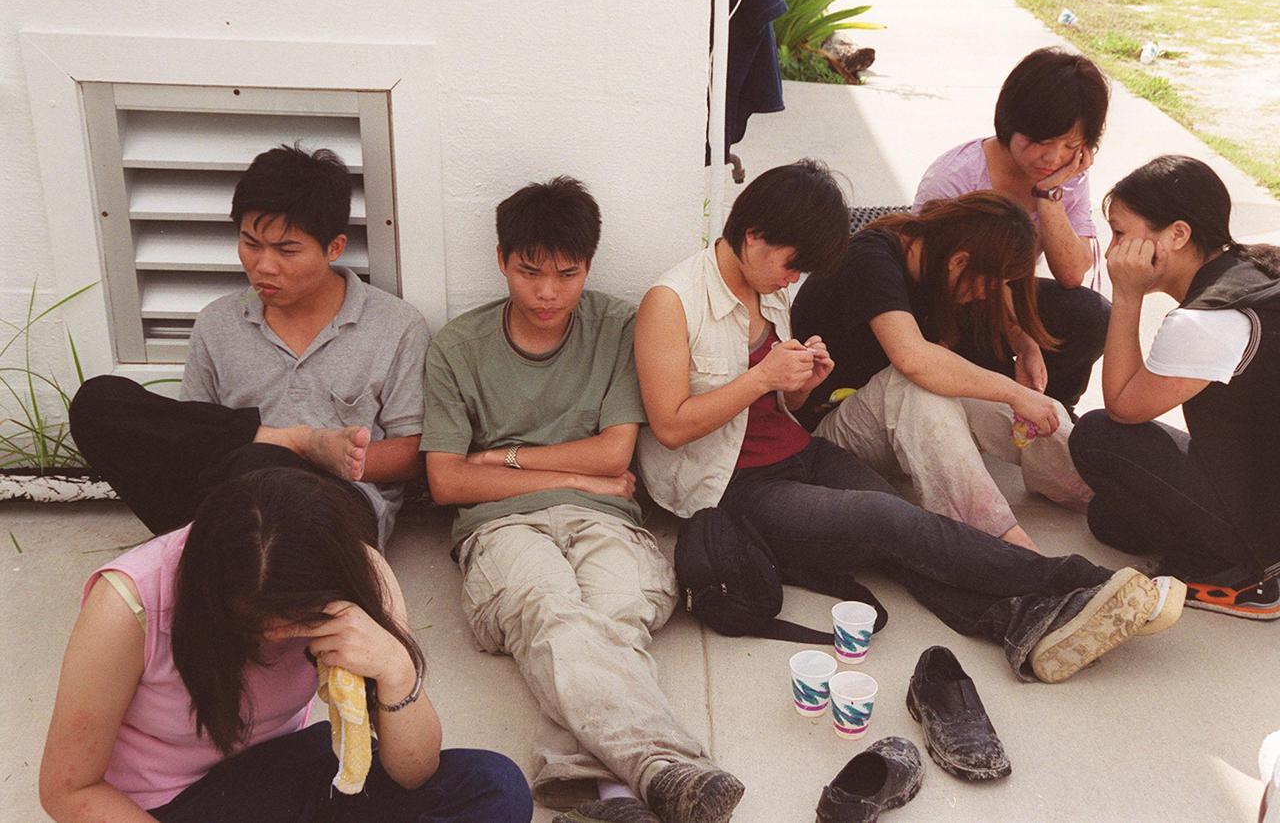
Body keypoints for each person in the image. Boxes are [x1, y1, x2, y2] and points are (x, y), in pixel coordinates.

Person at [635, 159, 1181, 689]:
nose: (795, 279)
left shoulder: (767, 288)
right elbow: (671, 427)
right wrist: (761, 379)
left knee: (903, 533)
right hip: (731, 484)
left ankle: (1022, 627)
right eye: (793, 264)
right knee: (890, 522)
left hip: (798, 452)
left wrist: (798, 384)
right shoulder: (674, 301)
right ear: (754, 236)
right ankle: (1085, 584)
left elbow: (785, 411)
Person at [422, 177, 742, 823]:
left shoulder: (617, 327)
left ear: (588, 267)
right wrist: (574, 478)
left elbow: (613, 455)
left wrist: (509, 459)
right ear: (501, 260)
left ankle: (584, 780)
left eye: (567, 275)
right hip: (501, 528)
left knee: (614, 608)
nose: (547, 292)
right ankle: (663, 767)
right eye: (529, 271)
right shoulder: (457, 347)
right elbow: (447, 482)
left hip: (605, 520)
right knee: (554, 609)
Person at [39, 466, 533, 822]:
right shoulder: (130, 604)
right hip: (171, 803)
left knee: (495, 785)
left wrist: (395, 668)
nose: (275, 638)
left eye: (295, 620)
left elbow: (413, 774)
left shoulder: (361, 578)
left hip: (286, 771)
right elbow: (68, 789)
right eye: (254, 623)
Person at [68, 144, 430, 548]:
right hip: (228, 494)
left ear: (334, 247)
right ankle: (218, 546)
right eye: (251, 244)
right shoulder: (218, 322)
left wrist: (332, 457)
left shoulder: (396, 325)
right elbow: (194, 434)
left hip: (333, 510)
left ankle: (197, 557)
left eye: (287, 249)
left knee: (263, 467)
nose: (263, 266)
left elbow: (414, 454)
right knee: (97, 401)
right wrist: (301, 441)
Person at [791, 192, 1092, 552]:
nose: (987, 296)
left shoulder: (938, 262)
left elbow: (950, 366)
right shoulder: (870, 257)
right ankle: (996, 543)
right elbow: (913, 359)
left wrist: (1023, 344)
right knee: (915, 385)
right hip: (824, 440)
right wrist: (1015, 392)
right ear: (960, 261)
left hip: (886, 426)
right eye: (990, 283)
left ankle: (1091, 491)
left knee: (1039, 410)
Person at [1069, 155, 1280, 620]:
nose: (1112, 250)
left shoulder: (1205, 320)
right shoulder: (1261, 267)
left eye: (1121, 233)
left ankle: (1244, 580)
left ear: (1177, 235)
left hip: (1263, 525)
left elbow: (1123, 408)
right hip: (1266, 483)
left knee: (1097, 436)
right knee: (1109, 519)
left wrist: (1125, 295)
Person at [913, 47, 1112, 416]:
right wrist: (1019, 336)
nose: (1052, 159)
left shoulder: (1066, 175)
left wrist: (1050, 196)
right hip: (950, 308)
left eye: (1070, 146)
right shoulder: (955, 178)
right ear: (1011, 122)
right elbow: (936, 282)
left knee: (1093, 315)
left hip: (1007, 301)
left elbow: (1072, 273)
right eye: (1041, 142)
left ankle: (1053, 407)